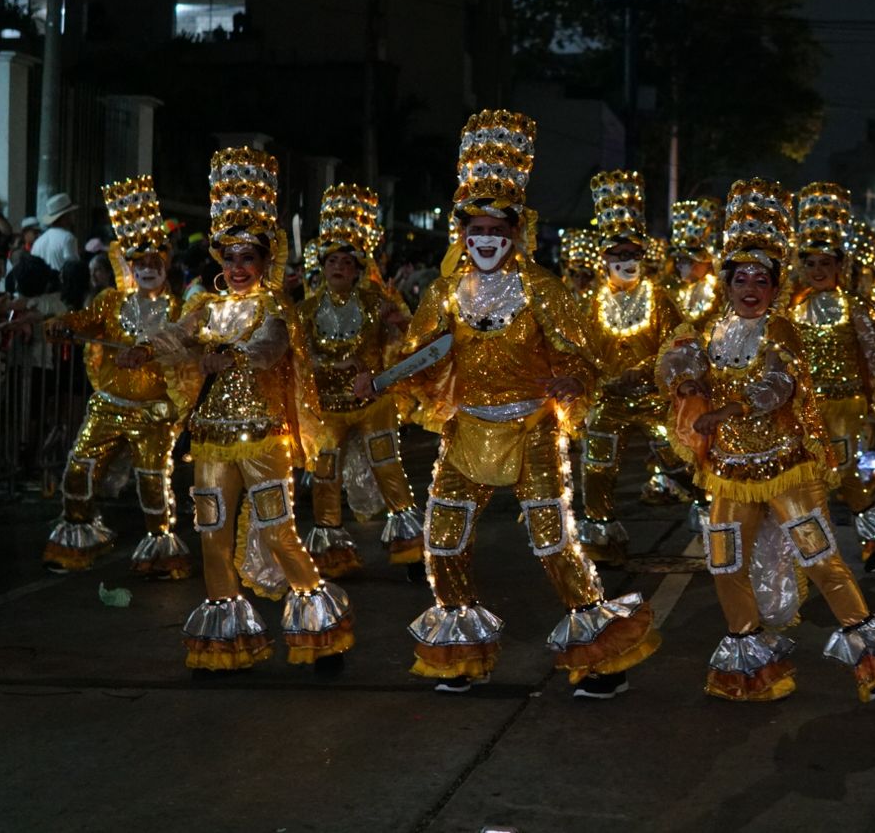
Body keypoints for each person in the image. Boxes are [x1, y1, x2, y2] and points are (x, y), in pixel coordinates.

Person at [388, 110, 660, 698]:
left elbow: (578, 354)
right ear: (462, 232)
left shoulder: (542, 288)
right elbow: (421, 354)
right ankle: (462, 652)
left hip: (532, 428)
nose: (486, 239)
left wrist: (569, 381)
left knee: (553, 539)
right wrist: (390, 379)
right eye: (475, 228)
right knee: (443, 539)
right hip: (466, 433)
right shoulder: (444, 291)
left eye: (497, 228)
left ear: (516, 231)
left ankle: (600, 657)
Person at [659, 178, 875, 702]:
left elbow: (776, 385)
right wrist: (684, 380)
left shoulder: (781, 329)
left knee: (821, 558)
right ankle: (748, 656)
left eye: (762, 278)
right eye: (741, 278)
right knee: (725, 561)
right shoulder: (711, 327)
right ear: (728, 282)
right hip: (729, 473)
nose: (751, 287)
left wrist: (729, 407)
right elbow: (677, 354)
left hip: (786, 469)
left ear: (776, 283)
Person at [120, 147, 353, 673]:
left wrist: (229, 356)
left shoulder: (275, 308)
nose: (238, 267)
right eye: (229, 257)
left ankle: (318, 626)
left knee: (277, 533)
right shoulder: (205, 306)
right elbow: (177, 334)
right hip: (209, 440)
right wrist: (147, 348)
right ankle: (227, 637)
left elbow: (268, 350)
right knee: (212, 534)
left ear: (266, 261)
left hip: (263, 439)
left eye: (248, 257)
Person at [42, 176, 190, 579]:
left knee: (152, 484)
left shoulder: (178, 311)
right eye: (138, 261)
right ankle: (78, 538)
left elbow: (182, 352)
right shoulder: (110, 301)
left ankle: (160, 551)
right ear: (125, 263)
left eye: (154, 261)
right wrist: (60, 321)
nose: (146, 268)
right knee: (77, 469)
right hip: (108, 406)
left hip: (153, 413)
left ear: (166, 263)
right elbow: (83, 319)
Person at [787, 183, 875, 572]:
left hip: (847, 405)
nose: (817, 271)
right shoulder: (792, 309)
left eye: (825, 263)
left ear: (840, 266)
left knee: (843, 478)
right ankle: (811, 556)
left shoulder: (855, 308)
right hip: (805, 406)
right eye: (810, 263)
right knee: (805, 482)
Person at [296, 183, 422, 579]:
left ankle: (411, 549)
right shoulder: (305, 310)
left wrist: (399, 325)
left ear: (358, 268)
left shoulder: (376, 302)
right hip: (328, 407)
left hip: (372, 401)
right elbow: (299, 359)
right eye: (332, 261)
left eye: (347, 263)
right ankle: (332, 552)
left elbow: (410, 341)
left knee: (387, 463)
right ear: (322, 265)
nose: (339, 268)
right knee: (325, 471)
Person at [577, 170, 693, 561]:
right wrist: (599, 378)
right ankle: (602, 538)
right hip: (608, 401)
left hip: (653, 399)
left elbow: (681, 342)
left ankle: (716, 513)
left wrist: (645, 369)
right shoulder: (592, 303)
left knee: (679, 462)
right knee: (597, 469)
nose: (626, 261)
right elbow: (580, 348)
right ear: (604, 256)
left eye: (633, 254)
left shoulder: (658, 298)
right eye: (618, 254)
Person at [668, 196, 725, 325]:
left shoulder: (719, 292)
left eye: (686, 260)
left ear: (704, 261)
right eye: (678, 259)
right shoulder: (684, 291)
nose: (679, 265)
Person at [30, 193, 82, 272]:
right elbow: (73, 269)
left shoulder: (37, 243)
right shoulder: (68, 238)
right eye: (71, 213)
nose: (73, 216)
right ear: (65, 216)